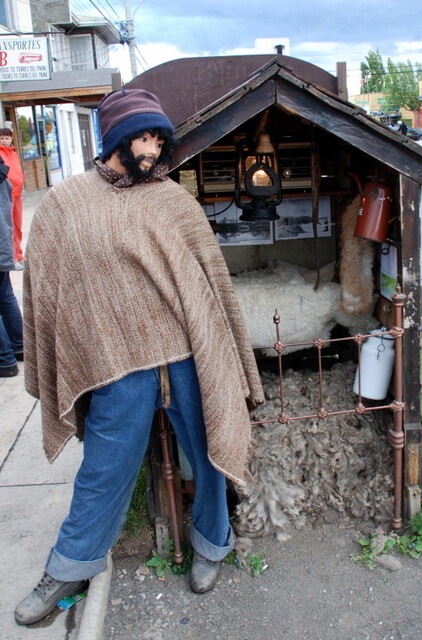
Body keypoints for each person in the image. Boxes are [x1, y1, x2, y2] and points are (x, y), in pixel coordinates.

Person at [14, 88, 264, 625]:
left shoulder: (172, 199)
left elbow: (208, 283)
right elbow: (50, 285)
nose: (151, 149)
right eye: (141, 137)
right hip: (115, 360)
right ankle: (70, 566)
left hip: (185, 354)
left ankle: (212, 544)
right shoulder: (66, 202)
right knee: (104, 469)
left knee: (210, 449)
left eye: (157, 138)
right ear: (114, 139)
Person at [0, 156, 23, 377]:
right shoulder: (3, 174)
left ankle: (4, 359)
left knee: (5, 297)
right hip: (3, 243)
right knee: (5, 297)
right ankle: (19, 346)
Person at [0, 128, 25, 269]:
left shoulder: (14, 154)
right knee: (8, 228)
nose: (4, 141)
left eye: (7, 138)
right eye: (2, 138)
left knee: (17, 226)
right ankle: (12, 258)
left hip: (18, 194)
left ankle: (19, 254)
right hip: (7, 194)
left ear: (11, 138)